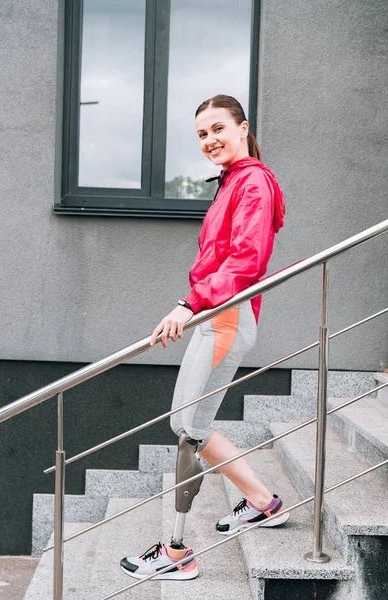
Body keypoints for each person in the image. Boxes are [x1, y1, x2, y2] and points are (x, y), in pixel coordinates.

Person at [120, 94, 287, 581]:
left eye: (218, 129)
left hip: (225, 317)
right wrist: (194, 302)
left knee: (188, 428)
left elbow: (246, 261)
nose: (210, 140)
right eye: (201, 135)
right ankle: (263, 502)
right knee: (188, 422)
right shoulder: (234, 182)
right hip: (216, 314)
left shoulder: (252, 181)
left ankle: (176, 552)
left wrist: (189, 304)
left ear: (243, 128)